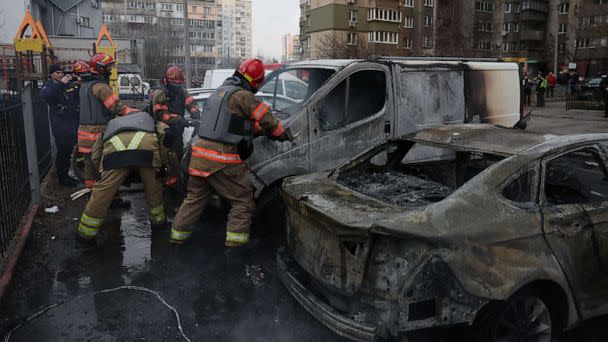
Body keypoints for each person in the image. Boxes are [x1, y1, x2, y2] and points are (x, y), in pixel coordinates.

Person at [169, 58, 294, 247]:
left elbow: (230, 125)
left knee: (194, 199)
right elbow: (267, 119)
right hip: (221, 158)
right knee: (243, 202)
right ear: (256, 81)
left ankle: (176, 240)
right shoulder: (243, 96)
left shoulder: (219, 92)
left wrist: (254, 130)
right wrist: (282, 134)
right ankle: (235, 251)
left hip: (198, 155)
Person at [76, 112, 167, 242]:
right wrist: (160, 166)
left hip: (114, 153)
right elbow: (163, 138)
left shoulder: (109, 128)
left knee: (102, 194)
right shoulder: (151, 122)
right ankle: (159, 225)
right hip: (146, 150)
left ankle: (85, 234)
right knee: (153, 188)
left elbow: (95, 156)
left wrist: (104, 174)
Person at [77, 53, 137, 192]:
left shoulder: (84, 86)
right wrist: (135, 112)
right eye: (109, 67)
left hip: (84, 134)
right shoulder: (101, 87)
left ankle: (92, 194)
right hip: (99, 133)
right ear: (101, 68)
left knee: (89, 165)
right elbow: (116, 107)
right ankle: (112, 199)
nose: (111, 69)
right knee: (107, 167)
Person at [149, 66, 201, 187]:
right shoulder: (160, 93)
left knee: (178, 156)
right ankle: (168, 186)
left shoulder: (181, 91)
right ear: (167, 81)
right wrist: (178, 119)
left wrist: (195, 111)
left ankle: (176, 182)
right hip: (165, 133)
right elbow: (161, 115)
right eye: (175, 84)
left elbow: (190, 102)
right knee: (170, 159)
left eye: (179, 84)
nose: (177, 87)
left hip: (177, 132)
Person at [41, 64, 80, 186]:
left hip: (71, 123)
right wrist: (61, 83)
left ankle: (66, 175)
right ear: (51, 74)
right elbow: (47, 95)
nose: (60, 75)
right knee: (63, 151)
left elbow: (75, 95)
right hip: (60, 124)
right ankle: (62, 178)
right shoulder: (49, 86)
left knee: (68, 151)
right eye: (57, 73)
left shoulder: (67, 85)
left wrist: (78, 84)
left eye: (61, 73)